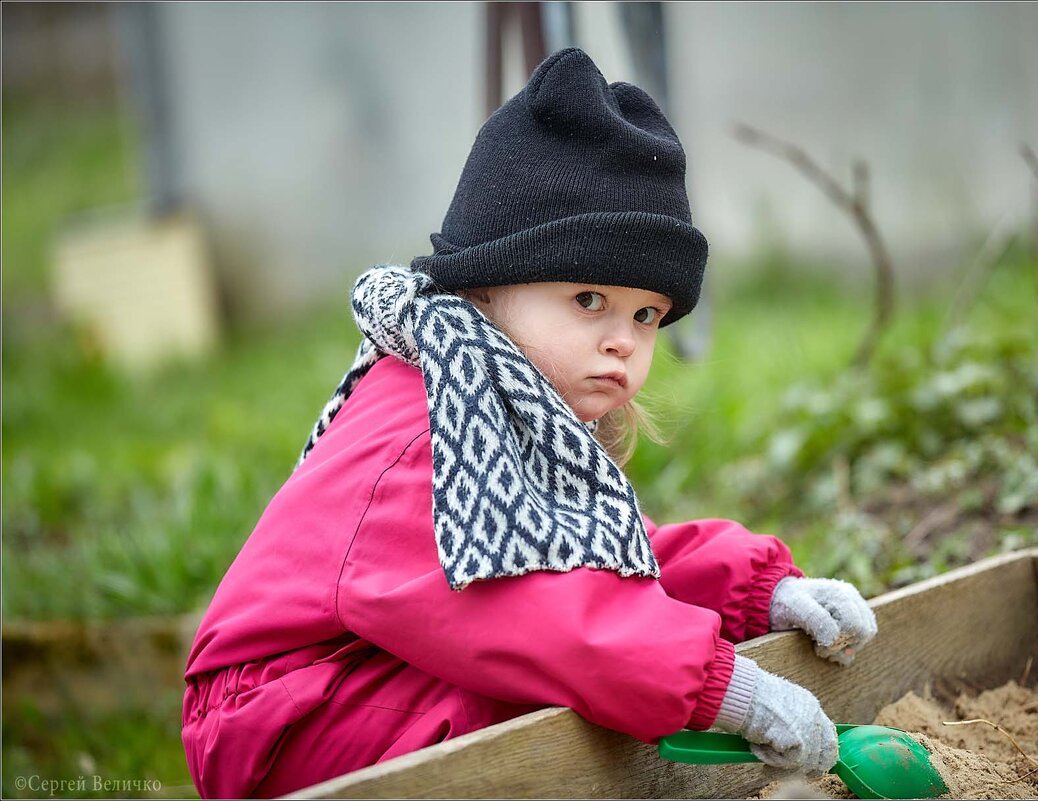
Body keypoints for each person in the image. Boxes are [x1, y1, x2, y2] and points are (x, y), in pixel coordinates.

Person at [180, 47, 877, 799]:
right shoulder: (423, 427)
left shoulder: (510, 401)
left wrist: (746, 592)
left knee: (586, 687)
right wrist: (721, 684)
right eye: (588, 301)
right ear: (485, 288)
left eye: (646, 314)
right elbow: (518, 610)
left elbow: (599, 566)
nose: (623, 339)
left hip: (372, 671)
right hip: (281, 709)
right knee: (545, 697)